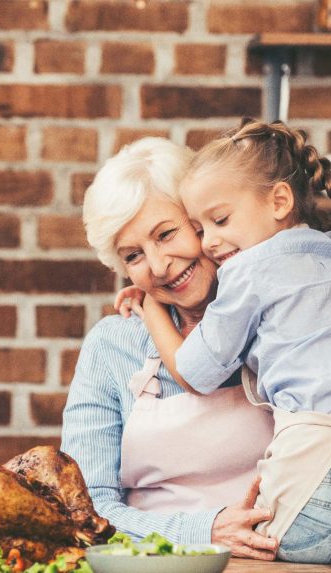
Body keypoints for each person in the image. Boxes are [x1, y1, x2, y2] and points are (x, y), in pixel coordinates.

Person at [119, 120, 331, 563]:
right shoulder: (323, 250)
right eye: (199, 228)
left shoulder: (248, 272)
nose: (211, 242)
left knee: (278, 541)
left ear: (279, 201)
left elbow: (195, 373)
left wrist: (150, 307)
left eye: (219, 221)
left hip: (315, 467)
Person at [60, 137, 278, 560]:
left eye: (167, 234)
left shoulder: (283, 318)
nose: (159, 266)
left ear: (205, 219)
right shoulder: (113, 345)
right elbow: (85, 511)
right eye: (134, 256)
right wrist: (204, 531)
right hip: (157, 564)